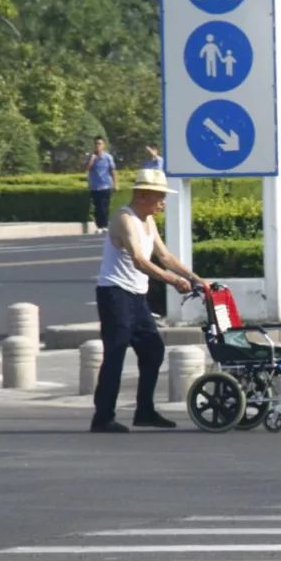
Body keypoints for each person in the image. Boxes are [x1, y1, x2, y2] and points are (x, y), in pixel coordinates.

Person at [90, 168, 210, 433]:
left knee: (153, 350)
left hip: (136, 296)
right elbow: (140, 260)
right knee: (116, 353)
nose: (162, 203)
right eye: (159, 197)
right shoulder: (124, 218)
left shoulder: (148, 221)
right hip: (115, 293)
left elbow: (164, 256)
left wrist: (195, 278)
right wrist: (172, 281)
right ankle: (103, 417)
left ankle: (144, 410)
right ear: (143, 195)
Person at [86, 137, 117, 234]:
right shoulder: (91, 157)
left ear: (104, 145)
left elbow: (113, 171)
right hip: (95, 186)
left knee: (104, 206)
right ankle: (99, 226)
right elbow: (87, 168)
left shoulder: (108, 157)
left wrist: (115, 184)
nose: (98, 146)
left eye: (100, 144)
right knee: (97, 207)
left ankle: (105, 225)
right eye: (96, 144)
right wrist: (92, 159)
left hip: (106, 185)